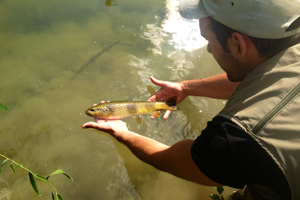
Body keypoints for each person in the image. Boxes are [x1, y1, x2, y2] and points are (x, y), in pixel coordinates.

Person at [83, 0, 300, 199]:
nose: (207, 49)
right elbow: (259, 78)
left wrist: (122, 133)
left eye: (208, 39)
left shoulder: (237, 137)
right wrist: (185, 87)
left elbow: (176, 160)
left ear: (238, 45)